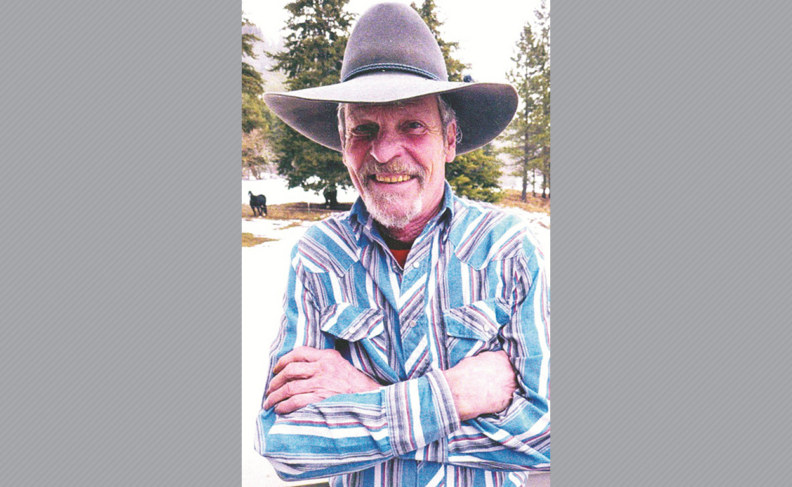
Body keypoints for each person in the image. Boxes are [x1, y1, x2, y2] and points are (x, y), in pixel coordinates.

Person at [255, 3, 549, 486]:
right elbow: (285, 444)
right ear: (343, 144)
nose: (385, 152)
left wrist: (366, 396)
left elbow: (545, 434)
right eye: (364, 130)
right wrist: (455, 396)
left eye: (412, 126)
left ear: (450, 140)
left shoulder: (509, 247)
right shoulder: (317, 257)